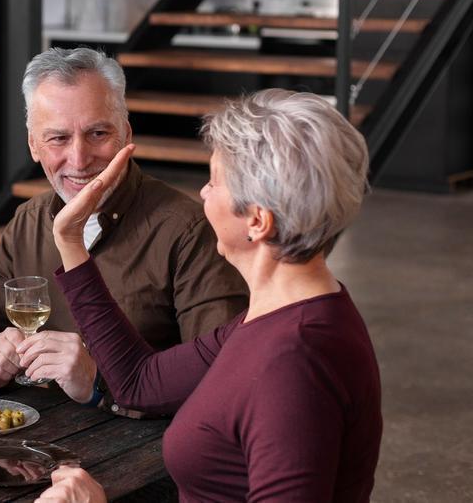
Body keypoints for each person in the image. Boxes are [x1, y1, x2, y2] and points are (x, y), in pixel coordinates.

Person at [37, 89, 382, 501]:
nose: (202, 194)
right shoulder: (281, 314)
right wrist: (71, 240)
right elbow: (137, 382)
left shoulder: (295, 361)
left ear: (257, 221)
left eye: (214, 181)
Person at [0, 47, 247, 412]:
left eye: (98, 133)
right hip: (36, 445)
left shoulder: (188, 230)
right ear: (33, 146)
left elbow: (222, 380)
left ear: (126, 132)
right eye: (58, 138)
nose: (79, 159)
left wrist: (99, 380)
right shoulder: (29, 219)